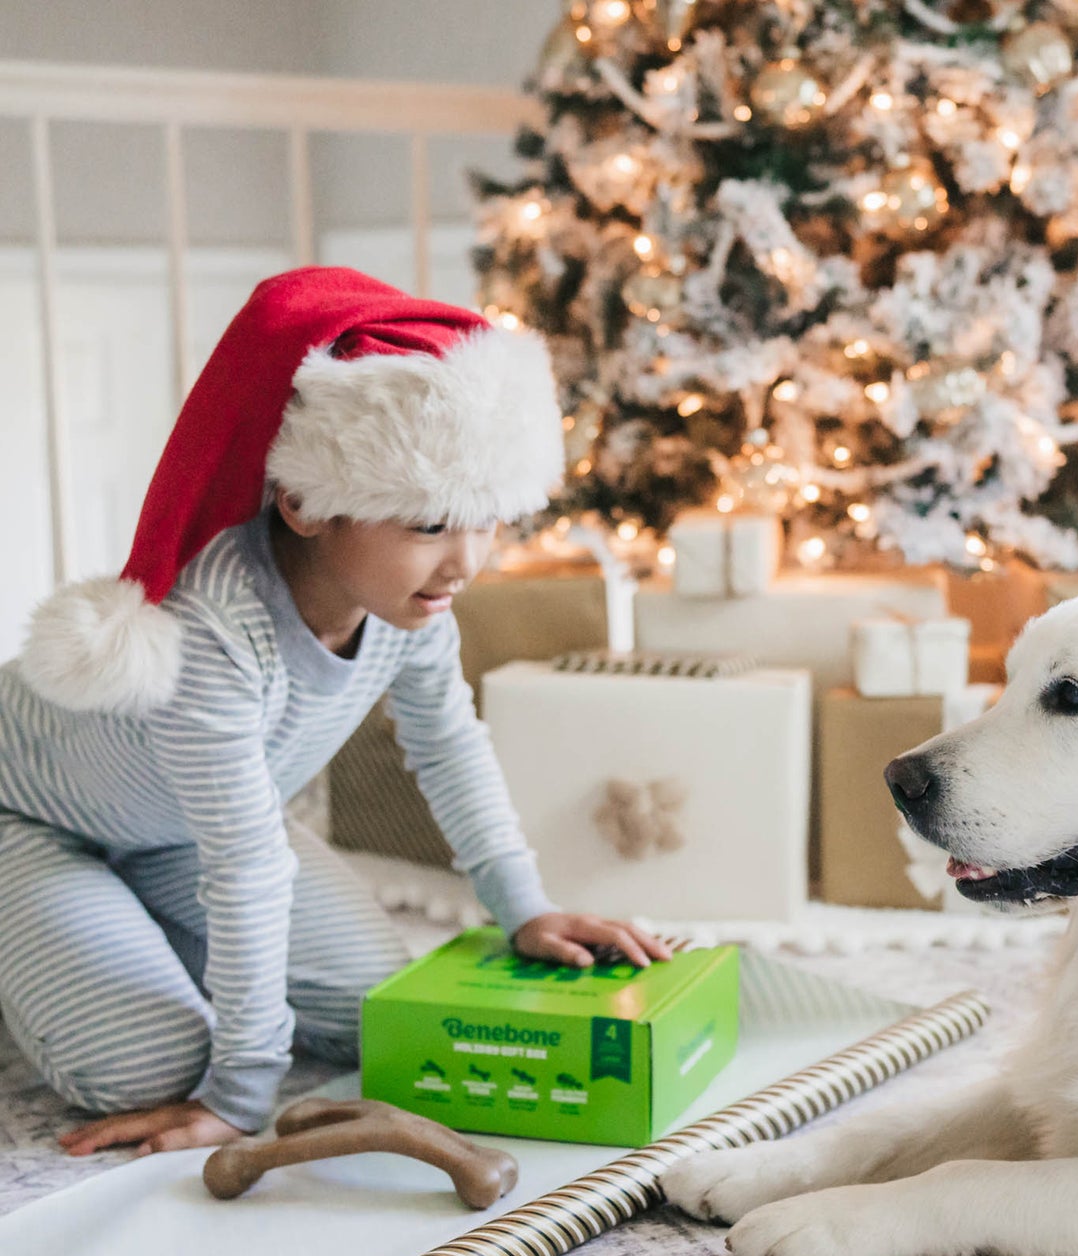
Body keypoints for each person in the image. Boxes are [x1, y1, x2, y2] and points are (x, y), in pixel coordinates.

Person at [0, 266, 668, 1161]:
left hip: (175, 832)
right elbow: (244, 868)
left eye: (487, 520)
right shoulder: (213, 634)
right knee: (144, 1064)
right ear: (307, 503)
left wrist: (523, 907)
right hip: (34, 819)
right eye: (428, 524)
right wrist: (239, 1094)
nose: (466, 561)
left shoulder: (411, 601)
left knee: (376, 1006)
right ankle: (50, 931)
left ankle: (117, 929)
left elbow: (447, 741)